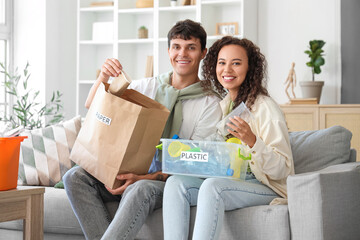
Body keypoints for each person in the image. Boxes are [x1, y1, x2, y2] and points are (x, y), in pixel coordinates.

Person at [63, 19, 222, 240]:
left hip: (162, 182)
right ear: (168, 51)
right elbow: (93, 105)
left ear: (203, 52)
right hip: (127, 170)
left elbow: (194, 161)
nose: (182, 54)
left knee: (141, 189)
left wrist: (143, 177)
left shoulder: (210, 103)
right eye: (176, 47)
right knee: (74, 177)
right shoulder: (148, 86)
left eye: (191, 47)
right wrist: (103, 77)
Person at [163, 36, 295, 240]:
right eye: (222, 63)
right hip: (232, 180)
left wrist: (252, 141)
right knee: (175, 183)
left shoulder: (265, 107)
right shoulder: (224, 105)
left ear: (250, 68)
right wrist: (187, 151)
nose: (227, 70)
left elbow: (283, 170)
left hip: (266, 186)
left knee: (213, 186)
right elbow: (218, 156)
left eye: (236, 63)